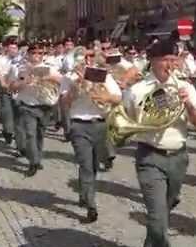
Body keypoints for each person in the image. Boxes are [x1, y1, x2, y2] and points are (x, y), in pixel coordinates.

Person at [124, 38, 196, 247]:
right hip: (150, 156)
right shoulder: (137, 90)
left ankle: (152, 242)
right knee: (158, 217)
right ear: (153, 61)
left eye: (174, 59)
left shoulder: (185, 87)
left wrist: (188, 103)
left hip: (178, 156)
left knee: (165, 207)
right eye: (165, 60)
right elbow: (126, 118)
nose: (170, 65)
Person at [60, 47, 122, 222]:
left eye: (89, 57)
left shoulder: (104, 75)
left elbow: (117, 98)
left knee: (93, 165)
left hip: (100, 124)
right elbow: (64, 103)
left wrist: (103, 95)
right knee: (85, 164)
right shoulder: (69, 78)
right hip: (79, 125)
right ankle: (91, 205)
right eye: (83, 59)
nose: (87, 61)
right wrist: (75, 87)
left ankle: (84, 192)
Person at [7, 43, 63, 177]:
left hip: (45, 106)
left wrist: (48, 77)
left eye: (40, 53)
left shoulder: (50, 68)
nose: (37, 56)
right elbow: (12, 87)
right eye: (34, 53)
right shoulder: (19, 68)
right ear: (28, 54)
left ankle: (37, 157)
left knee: (39, 134)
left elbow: (62, 81)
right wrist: (23, 82)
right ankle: (33, 162)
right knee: (30, 134)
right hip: (27, 106)